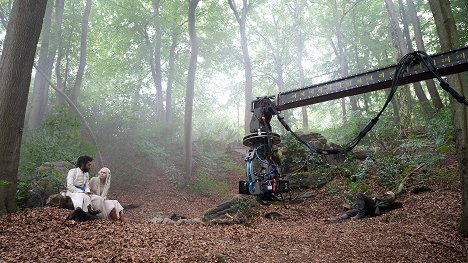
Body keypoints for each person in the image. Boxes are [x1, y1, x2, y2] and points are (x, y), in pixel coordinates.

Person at [328, 191, 399, 222]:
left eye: (389, 192)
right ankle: (338, 218)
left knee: (360, 195)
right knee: (350, 212)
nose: (387, 192)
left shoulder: (390, 197)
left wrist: (375, 198)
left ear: (392, 195)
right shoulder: (383, 196)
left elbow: (386, 201)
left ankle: (360, 213)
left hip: (374, 207)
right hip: (369, 209)